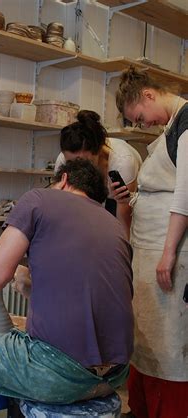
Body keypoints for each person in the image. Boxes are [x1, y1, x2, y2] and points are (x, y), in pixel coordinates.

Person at [0, 158, 134, 418]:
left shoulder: (39, 199)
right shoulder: (112, 224)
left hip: (60, 374)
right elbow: (92, 295)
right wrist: (26, 281)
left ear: (63, 181)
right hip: (116, 374)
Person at [114, 66, 188, 418]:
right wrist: (127, 197)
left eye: (140, 117)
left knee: (169, 345)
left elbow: (186, 195)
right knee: (146, 340)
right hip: (149, 251)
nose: (142, 125)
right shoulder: (170, 127)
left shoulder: (187, 124)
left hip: (170, 253)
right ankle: (144, 407)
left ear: (149, 95)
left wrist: (168, 254)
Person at [55, 110, 142, 235]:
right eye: (72, 163)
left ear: (98, 150)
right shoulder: (63, 160)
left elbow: (125, 222)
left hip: (120, 204)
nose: (78, 168)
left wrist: (123, 251)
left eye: (84, 162)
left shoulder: (123, 162)